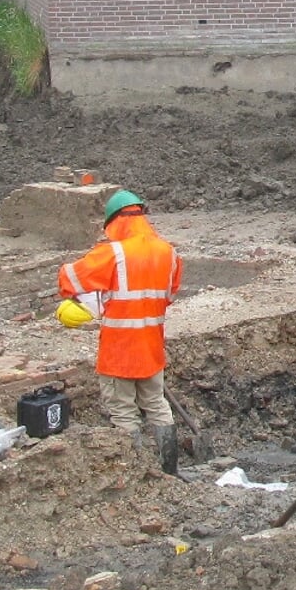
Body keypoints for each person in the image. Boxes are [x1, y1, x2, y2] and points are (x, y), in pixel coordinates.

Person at [57, 189, 184, 473]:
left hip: (119, 350)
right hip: (151, 346)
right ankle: (169, 469)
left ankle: (136, 474)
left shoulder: (112, 253)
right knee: (156, 403)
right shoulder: (169, 252)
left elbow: (69, 279)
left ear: (114, 221)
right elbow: (169, 294)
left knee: (123, 411)